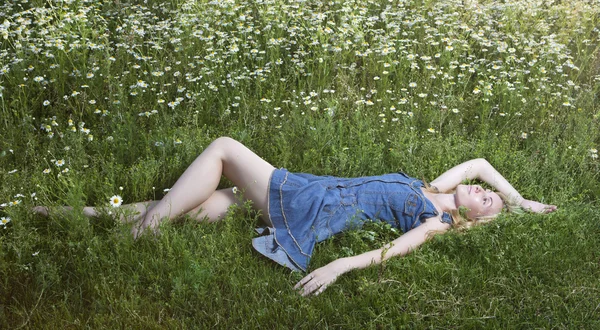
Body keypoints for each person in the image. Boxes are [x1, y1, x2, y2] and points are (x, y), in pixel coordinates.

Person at [33, 137, 557, 296]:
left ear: (465, 221)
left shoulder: (435, 220)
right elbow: (481, 162)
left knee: (222, 149)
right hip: (310, 193)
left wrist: (338, 267)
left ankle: (141, 233)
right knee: (195, 208)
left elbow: (391, 251)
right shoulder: (434, 189)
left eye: (486, 201)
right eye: (488, 193)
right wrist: (520, 202)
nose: (483, 190)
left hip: (307, 201)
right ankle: (65, 213)